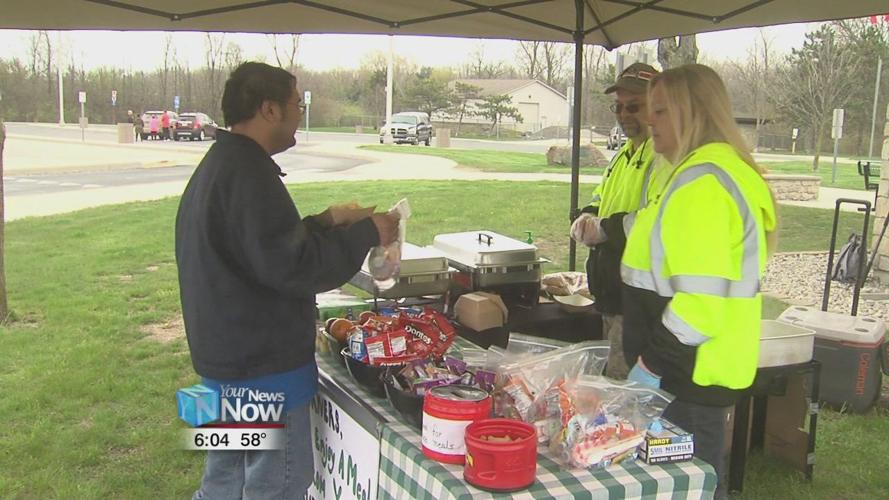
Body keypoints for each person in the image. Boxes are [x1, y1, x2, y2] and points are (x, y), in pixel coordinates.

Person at [175, 61, 398, 499]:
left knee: (224, 481)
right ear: (269, 109)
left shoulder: (224, 164)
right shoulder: (248, 176)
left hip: (225, 363)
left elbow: (262, 248)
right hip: (261, 372)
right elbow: (294, 267)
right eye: (297, 103)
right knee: (277, 484)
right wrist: (369, 232)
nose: (301, 111)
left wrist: (328, 220)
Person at [584, 64, 777, 499]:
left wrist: (650, 366)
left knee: (690, 488)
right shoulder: (696, 172)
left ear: (694, 113)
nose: (649, 121)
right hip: (695, 371)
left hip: (686, 374)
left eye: (660, 111)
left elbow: (701, 303)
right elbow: (650, 228)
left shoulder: (703, 183)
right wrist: (606, 228)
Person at [570, 62, 658, 380]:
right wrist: (586, 216)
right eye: (618, 107)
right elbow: (601, 196)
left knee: (624, 392)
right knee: (608, 380)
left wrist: (605, 231)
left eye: (634, 106)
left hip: (636, 299)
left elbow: (652, 220)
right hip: (609, 292)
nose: (623, 115)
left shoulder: (660, 156)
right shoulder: (623, 153)